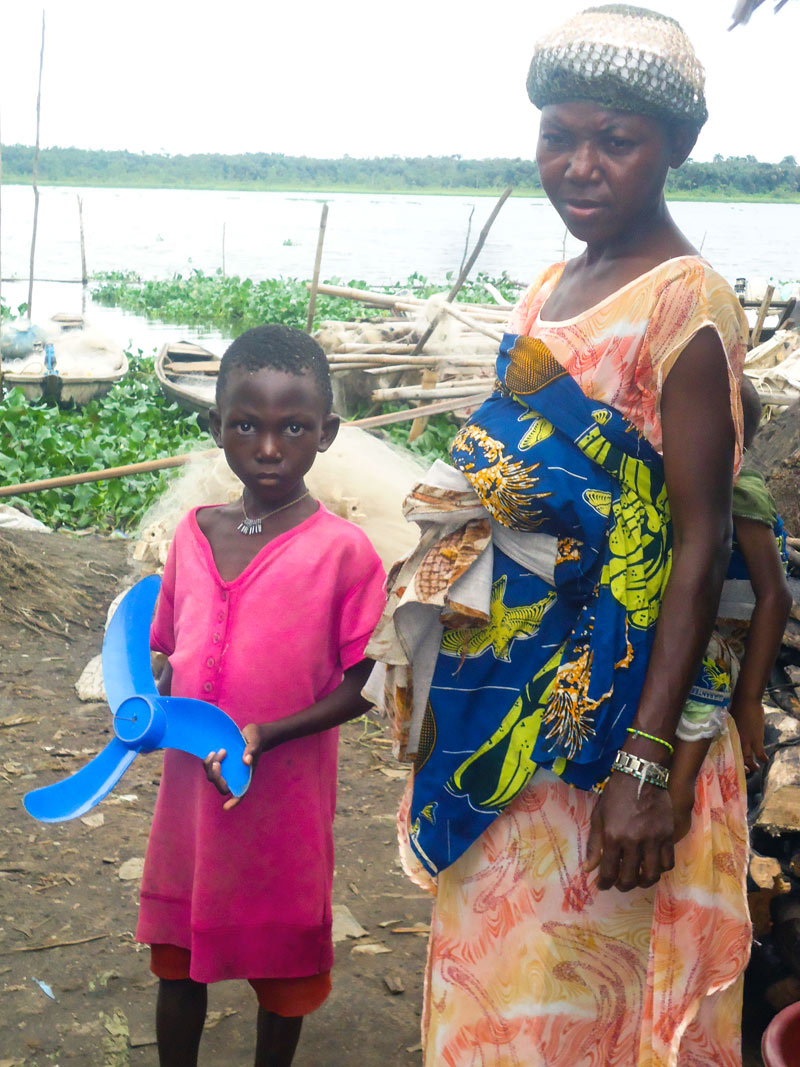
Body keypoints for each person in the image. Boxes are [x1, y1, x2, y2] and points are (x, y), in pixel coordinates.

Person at [365, 6, 754, 1064]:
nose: (578, 166)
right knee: (492, 987)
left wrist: (644, 760)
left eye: (613, 140)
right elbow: (503, 491)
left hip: (612, 718)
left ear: (674, 146)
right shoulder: (545, 290)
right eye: (556, 136)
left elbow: (696, 542)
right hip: (509, 714)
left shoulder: (688, 303)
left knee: (582, 1006)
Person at [135, 325, 386, 1067]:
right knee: (177, 957)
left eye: (293, 427)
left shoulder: (345, 552)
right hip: (189, 798)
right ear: (216, 427)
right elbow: (167, 650)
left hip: (282, 803)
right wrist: (153, 699)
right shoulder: (192, 533)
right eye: (246, 424)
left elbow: (367, 682)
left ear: (327, 434)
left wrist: (269, 733)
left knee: (283, 976)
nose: (269, 447)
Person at [668, 375, 791, 839]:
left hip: (725, 635)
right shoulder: (697, 477)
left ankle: (678, 799)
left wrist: (750, 700)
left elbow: (775, 595)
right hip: (698, 621)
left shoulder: (738, 490)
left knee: (707, 665)